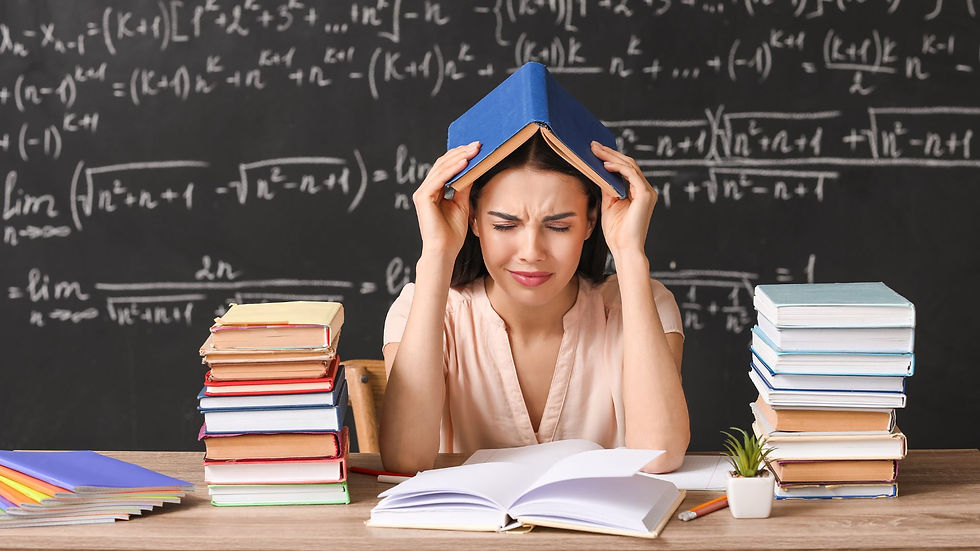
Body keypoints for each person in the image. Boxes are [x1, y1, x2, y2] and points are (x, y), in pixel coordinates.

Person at [380, 133, 689, 474]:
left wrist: (630, 254)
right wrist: (437, 253)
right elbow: (404, 461)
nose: (531, 252)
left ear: (590, 222)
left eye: (558, 226)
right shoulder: (421, 308)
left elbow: (659, 454)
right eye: (505, 225)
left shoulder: (644, 303)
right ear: (473, 219)